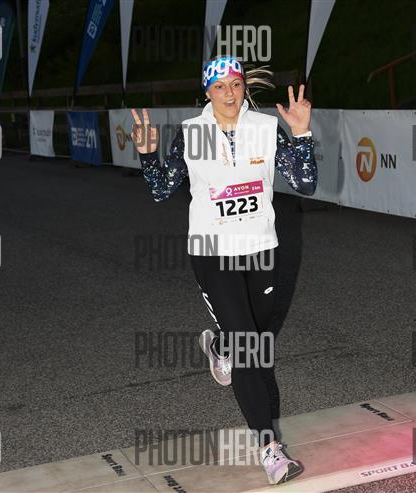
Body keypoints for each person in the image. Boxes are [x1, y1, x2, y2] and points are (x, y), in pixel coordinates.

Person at [130, 55, 317, 485]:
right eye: (219, 87)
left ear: (244, 86)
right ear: (207, 92)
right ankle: (270, 448)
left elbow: (305, 183)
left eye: (235, 84)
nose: (229, 93)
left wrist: (302, 134)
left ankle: (220, 346)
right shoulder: (192, 133)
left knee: (259, 333)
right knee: (250, 348)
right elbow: (161, 189)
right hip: (212, 251)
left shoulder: (266, 128)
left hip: (260, 249)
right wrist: (148, 155)